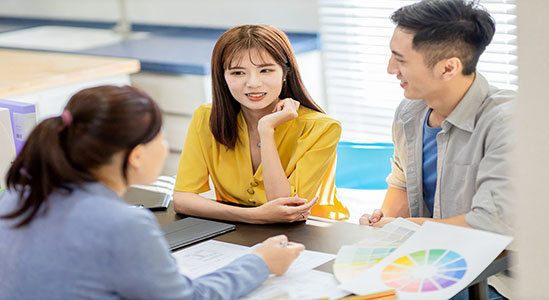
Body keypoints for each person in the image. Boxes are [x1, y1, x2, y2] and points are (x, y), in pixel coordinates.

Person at [0, 85, 304, 299]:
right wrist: (260, 262)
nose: (165, 145)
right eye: (161, 136)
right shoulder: (123, 224)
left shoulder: (20, 195)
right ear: (136, 156)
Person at [360, 0, 514, 235]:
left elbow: (493, 223)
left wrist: (405, 227)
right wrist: (382, 226)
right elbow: (402, 184)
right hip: (425, 259)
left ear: (448, 68)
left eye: (401, 60)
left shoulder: (507, 122)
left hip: (494, 267)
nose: (391, 69)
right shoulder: (408, 113)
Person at [173, 25, 349, 223]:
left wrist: (266, 129)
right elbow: (182, 199)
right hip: (242, 232)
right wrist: (252, 216)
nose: (253, 83)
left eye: (265, 70)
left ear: (285, 73)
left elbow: (287, 208)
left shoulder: (322, 128)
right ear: (223, 77)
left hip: (311, 235)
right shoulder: (206, 117)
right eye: (238, 73)